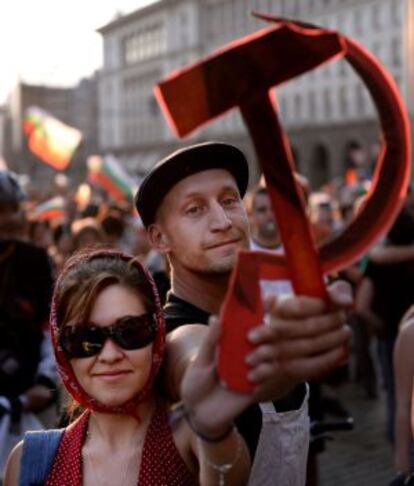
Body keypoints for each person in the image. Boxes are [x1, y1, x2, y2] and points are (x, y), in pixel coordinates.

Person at [135, 141, 352, 485]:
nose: (222, 221)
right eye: (195, 210)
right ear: (160, 238)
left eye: (229, 200)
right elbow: (194, 358)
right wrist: (275, 359)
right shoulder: (175, 334)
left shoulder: (264, 311)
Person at [3, 249, 273, 485]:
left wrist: (216, 431)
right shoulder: (28, 461)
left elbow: (228, 478)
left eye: (130, 332)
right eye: (86, 339)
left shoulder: (189, 438)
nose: (110, 355)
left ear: (156, 334)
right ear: (62, 350)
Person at [0, 170, 56, 478]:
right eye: (0, 211)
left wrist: (45, 384)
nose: (8, 219)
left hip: (29, 405)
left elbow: (51, 327)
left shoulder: (35, 261)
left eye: (12, 210)